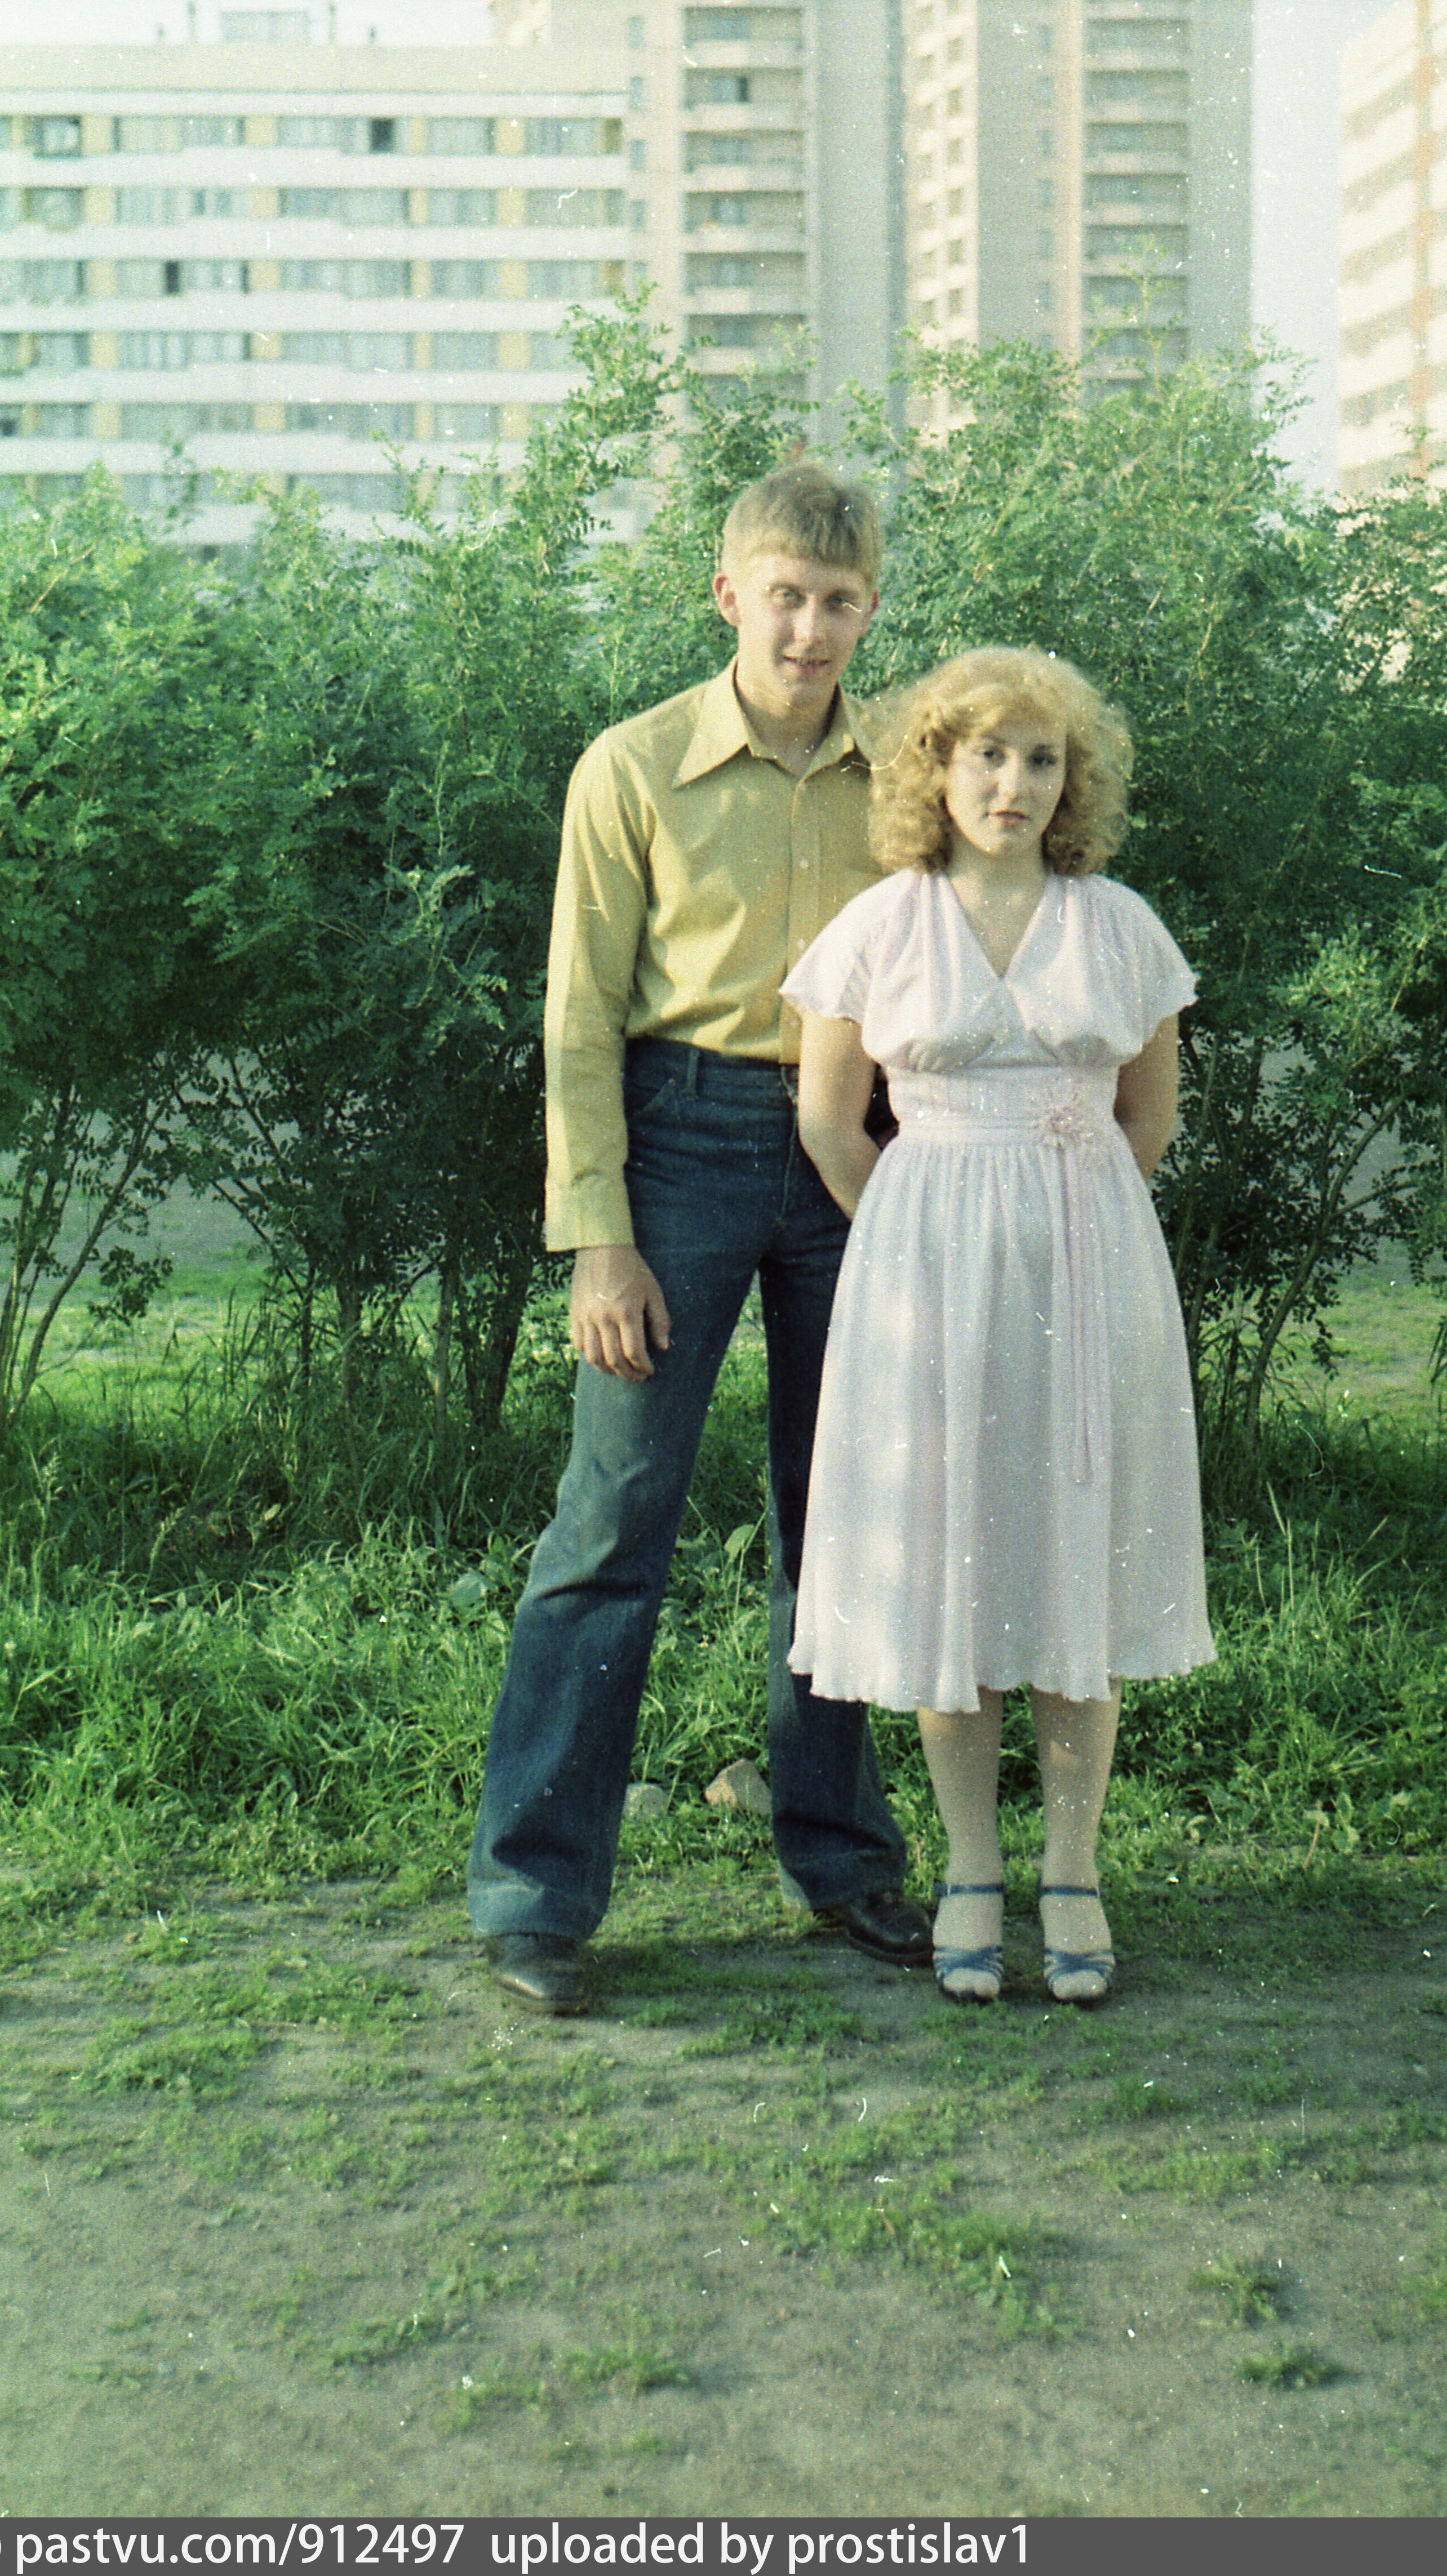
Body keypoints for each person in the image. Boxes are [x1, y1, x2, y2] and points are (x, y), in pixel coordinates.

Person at [467, 462, 933, 2014]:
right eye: (784, 595)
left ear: (870, 609)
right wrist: (599, 1237)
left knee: (846, 1514)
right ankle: (536, 1892)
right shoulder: (635, 766)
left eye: (839, 601)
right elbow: (578, 1016)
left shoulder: (909, 772)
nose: (809, 628)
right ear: (730, 593)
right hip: (680, 1140)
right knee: (613, 1518)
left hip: (861, 1143)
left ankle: (842, 1857)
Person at [781, 646, 1215, 2006]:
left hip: (1087, 1271)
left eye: (1041, 759)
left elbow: (1148, 1118)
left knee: (1075, 1558)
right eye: (986, 755)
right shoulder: (881, 925)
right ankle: (972, 1865)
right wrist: (922, 1235)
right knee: (949, 1563)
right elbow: (829, 1122)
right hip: (925, 1277)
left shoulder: (1119, 925)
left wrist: (1060, 1220)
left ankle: (1073, 1870)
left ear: (1071, 780)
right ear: (936, 768)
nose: (1013, 784)